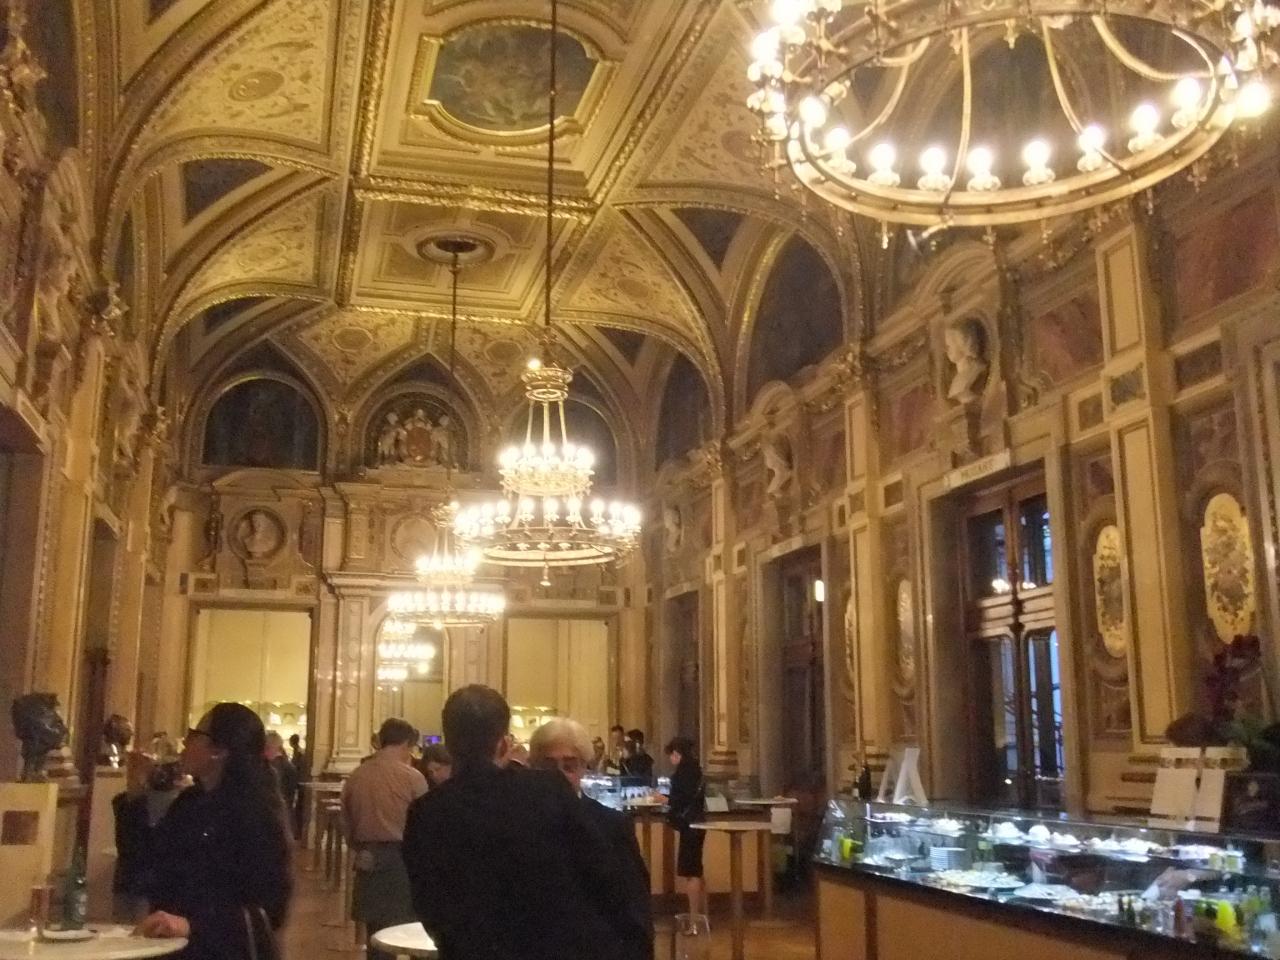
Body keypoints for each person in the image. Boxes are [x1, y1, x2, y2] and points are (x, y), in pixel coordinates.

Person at [403, 684, 631, 960]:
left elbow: (427, 903)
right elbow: (602, 877)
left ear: (448, 744)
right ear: (503, 744)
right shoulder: (548, 791)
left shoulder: (425, 813)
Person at [128, 703, 293, 960]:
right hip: (172, 949)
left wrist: (192, 925)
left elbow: (270, 908)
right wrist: (136, 794)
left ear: (219, 751)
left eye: (195, 734)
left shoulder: (254, 813)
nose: (185, 742)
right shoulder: (190, 801)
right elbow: (145, 860)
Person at [529, 718, 653, 960]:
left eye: (569, 766)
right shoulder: (517, 821)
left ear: (584, 768)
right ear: (532, 767)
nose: (559, 776)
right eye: (548, 766)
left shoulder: (611, 825)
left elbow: (635, 909)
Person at [342, 718, 428, 957]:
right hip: (403, 862)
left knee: (376, 938)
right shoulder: (412, 778)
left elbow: (345, 822)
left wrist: (359, 848)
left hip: (367, 859)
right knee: (411, 934)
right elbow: (425, 826)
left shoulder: (356, 776)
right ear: (407, 743)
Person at [665, 735, 707, 915]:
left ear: (677, 753)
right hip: (698, 822)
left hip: (688, 825)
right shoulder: (697, 770)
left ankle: (694, 917)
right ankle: (702, 915)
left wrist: (664, 799)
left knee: (691, 873)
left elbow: (679, 799)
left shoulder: (682, 774)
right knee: (697, 869)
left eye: (671, 755)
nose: (670, 759)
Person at [264, 732, 298, 836]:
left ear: (270, 747)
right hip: (287, 816)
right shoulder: (289, 766)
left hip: (273, 818)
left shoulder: (272, 768)